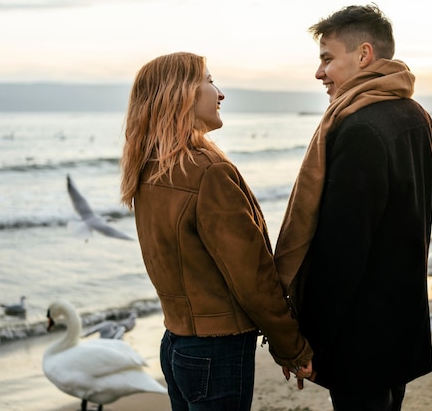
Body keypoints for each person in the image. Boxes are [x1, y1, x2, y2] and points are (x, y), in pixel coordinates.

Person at [120, 52, 313, 411]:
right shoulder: (206, 171)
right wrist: (292, 347)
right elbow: (251, 276)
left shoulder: (148, 170)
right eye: (209, 81)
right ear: (182, 95)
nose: (220, 93)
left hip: (175, 345)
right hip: (217, 350)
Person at [274, 4, 432, 411]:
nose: (319, 73)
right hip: (402, 323)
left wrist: (307, 341)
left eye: (327, 59)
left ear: (363, 55)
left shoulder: (359, 127)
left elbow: (341, 252)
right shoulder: (416, 115)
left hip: (360, 338)